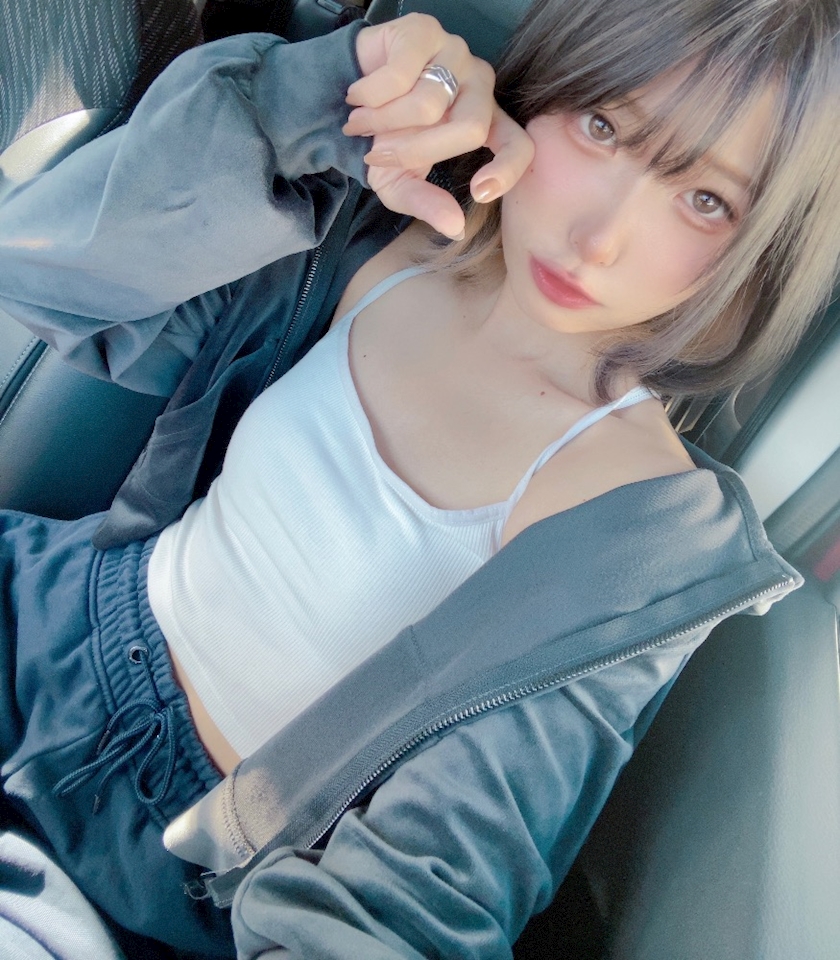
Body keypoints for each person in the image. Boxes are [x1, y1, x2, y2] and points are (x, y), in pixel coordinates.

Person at [0, 0, 838, 956]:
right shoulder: (377, 238)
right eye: (603, 127)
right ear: (541, 89)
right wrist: (322, 98)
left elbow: (422, 889)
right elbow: (49, 279)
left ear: (761, 253)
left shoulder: (641, 528)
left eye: (706, 201)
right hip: (52, 622)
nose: (599, 237)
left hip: (190, 863)